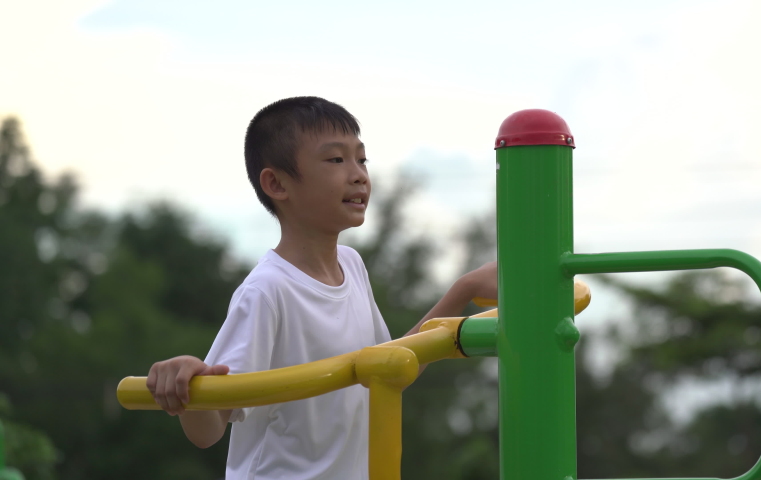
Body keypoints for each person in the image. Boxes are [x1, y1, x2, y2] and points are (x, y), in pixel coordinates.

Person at [145, 96, 497, 480]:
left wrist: (465, 289)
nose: (359, 174)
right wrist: (187, 381)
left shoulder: (352, 266)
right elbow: (210, 427)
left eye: (361, 159)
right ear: (276, 183)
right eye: (336, 160)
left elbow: (395, 367)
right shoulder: (268, 290)